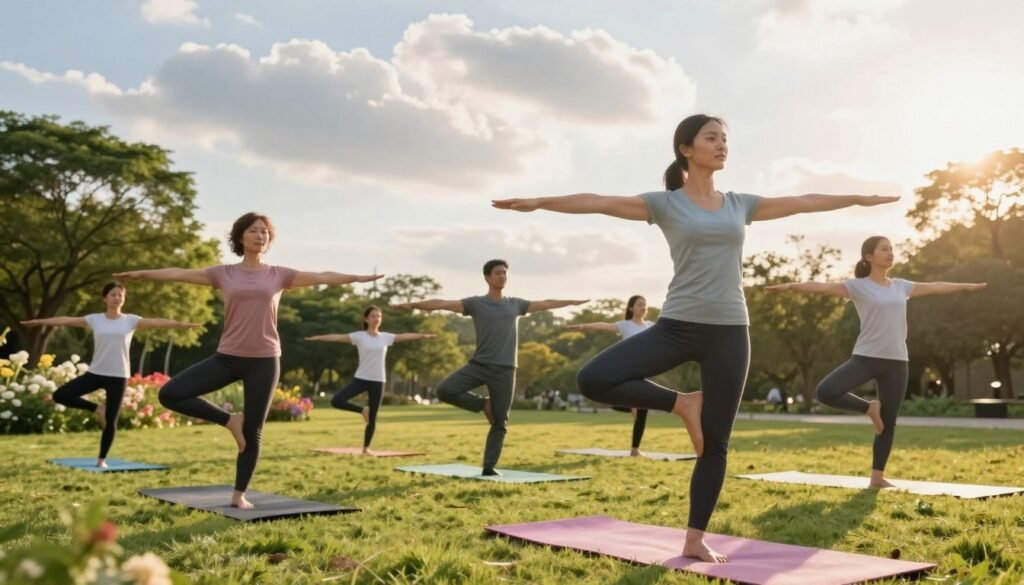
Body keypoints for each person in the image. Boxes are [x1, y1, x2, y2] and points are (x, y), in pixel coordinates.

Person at [492, 113, 899, 562]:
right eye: (712, 138)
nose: (722, 144)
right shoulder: (665, 204)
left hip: (730, 331)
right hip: (678, 326)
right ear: (686, 149)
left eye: (726, 138)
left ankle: (694, 537)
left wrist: (858, 198)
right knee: (594, 378)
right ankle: (682, 402)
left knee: (716, 443)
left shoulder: (738, 204)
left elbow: (802, 200)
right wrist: (539, 201)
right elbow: (598, 201)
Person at [115, 212, 381, 508]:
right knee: (170, 393)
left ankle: (239, 494)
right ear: (241, 237)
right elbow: (178, 273)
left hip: (265, 360)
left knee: (253, 431)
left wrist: (357, 278)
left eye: (265, 232)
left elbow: (321, 277)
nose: (260, 236)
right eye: (253, 231)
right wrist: (142, 274)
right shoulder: (223, 274)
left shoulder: (278, 275)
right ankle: (230, 420)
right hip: (227, 356)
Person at [766, 235, 985, 487]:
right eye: (884, 249)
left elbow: (936, 285)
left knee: (888, 422)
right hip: (866, 357)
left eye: (891, 249)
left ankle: (877, 478)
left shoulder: (901, 286)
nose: (890, 253)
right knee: (826, 391)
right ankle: (869, 408)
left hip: (897, 361)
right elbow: (821, 287)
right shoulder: (858, 286)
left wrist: (967, 286)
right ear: (869, 256)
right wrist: (790, 286)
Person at [393, 259, 587, 476]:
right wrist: (412, 305)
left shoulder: (515, 304)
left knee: (500, 421)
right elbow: (442, 304)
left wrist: (571, 302)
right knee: (445, 390)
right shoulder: (476, 304)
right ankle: (482, 404)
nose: (502, 276)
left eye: (505, 273)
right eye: (497, 273)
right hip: (479, 365)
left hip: (505, 370)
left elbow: (546, 303)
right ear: (487, 277)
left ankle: (488, 467)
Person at [21, 282, 199, 467]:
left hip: (119, 375)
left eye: (120, 295)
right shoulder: (95, 319)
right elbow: (65, 320)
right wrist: (38, 322)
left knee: (111, 421)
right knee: (60, 395)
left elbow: (158, 322)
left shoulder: (130, 320)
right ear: (105, 298)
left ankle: (101, 460)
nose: (117, 298)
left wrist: (181, 325)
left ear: (124, 299)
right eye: (113, 294)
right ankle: (97, 409)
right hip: (96, 372)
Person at [305, 305, 435, 454]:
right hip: (361, 378)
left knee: (373, 418)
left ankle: (366, 448)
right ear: (366, 319)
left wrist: (423, 335)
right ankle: (362, 410)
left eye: (378, 316)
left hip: (378, 380)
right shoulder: (359, 336)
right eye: (373, 316)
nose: (376, 319)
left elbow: (404, 336)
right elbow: (337, 337)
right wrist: (318, 338)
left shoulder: (385, 337)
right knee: (336, 401)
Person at [566, 295, 655, 456]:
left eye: (645, 304)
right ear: (631, 308)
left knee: (643, 409)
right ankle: (630, 407)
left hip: (642, 372)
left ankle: (635, 449)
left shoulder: (650, 326)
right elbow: (604, 325)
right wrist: (584, 325)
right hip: (625, 372)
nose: (643, 307)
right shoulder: (626, 326)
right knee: (617, 402)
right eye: (639, 304)